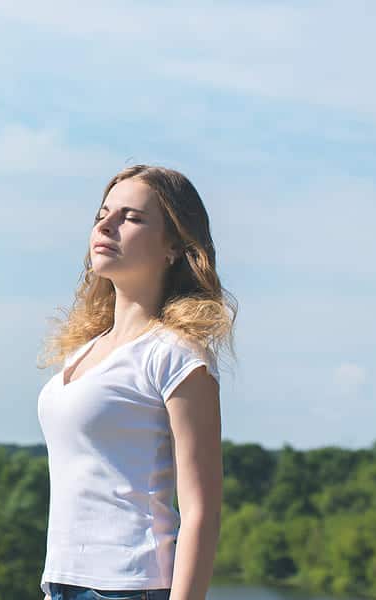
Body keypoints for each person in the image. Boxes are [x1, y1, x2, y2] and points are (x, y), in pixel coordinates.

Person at [37, 164, 237, 600]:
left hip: (130, 587)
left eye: (131, 217)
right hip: (63, 583)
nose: (106, 225)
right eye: (102, 214)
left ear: (174, 246)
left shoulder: (176, 355)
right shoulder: (83, 351)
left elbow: (201, 512)